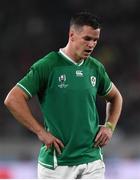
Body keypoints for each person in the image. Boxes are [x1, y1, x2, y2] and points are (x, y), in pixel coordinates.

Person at [4, 11, 123, 179]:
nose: (92, 44)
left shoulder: (95, 68)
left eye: (95, 40)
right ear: (72, 35)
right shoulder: (48, 65)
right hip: (56, 165)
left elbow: (116, 97)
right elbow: (13, 99)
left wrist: (109, 127)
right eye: (87, 39)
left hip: (92, 161)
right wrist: (40, 132)